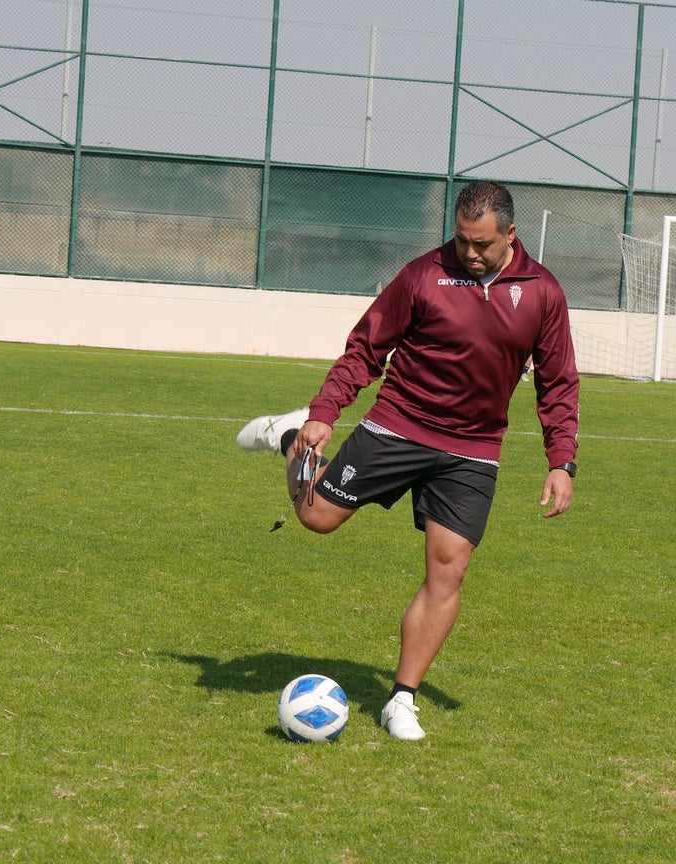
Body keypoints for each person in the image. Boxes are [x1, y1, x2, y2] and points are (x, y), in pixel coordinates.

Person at [235, 181, 580, 741]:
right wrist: (325, 412)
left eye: (483, 245)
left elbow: (558, 381)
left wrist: (561, 460)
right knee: (316, 518)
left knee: (449, 569)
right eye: (463, 240)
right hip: (399, 424)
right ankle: (290, 437)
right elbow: (366, 348)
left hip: (473, 448)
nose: (470, 253)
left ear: (511, 236)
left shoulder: (543, 292)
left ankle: (402, 699)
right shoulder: (423, 275)